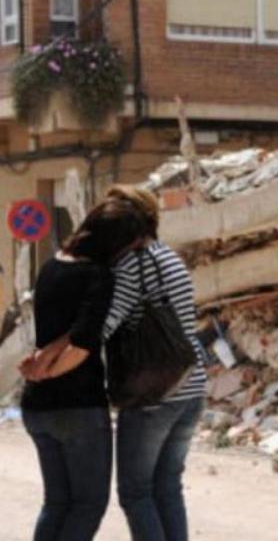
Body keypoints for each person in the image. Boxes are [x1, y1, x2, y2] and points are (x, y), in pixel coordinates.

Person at [19, 199, 149, 541]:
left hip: (37, 408)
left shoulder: (50, 266)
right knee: (88, 504)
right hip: (77, 408)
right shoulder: (97, 275)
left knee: (57, 503)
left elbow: (63, 331)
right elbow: (82, 345)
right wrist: (50, 371)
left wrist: (42, 369)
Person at [103, 186, 208, 541]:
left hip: (153, 392)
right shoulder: (168, 256)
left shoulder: (133, 265)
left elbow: (105, 325)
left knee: (135, 492)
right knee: (167, 487)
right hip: (189, 386)